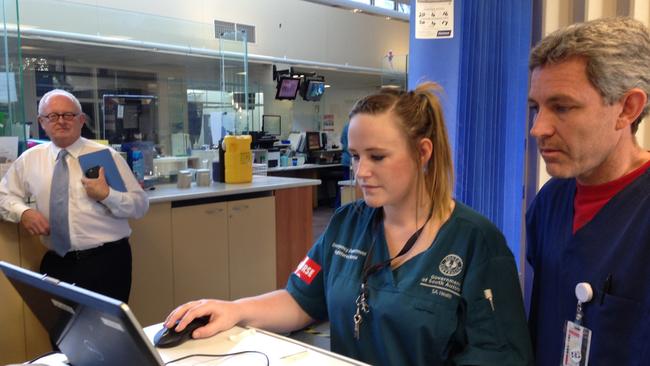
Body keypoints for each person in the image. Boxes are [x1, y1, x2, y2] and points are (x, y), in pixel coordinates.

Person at [163, 83, 533, 365]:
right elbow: (300, 300)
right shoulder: (347, 224)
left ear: (423, 152)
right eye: (355, 156)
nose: (361, 172)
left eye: (378, 157)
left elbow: (499, 356)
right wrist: (236, 309)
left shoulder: (476, 244)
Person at [526, 17, 650, 365]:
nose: (539, 128)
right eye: (536, 107)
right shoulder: (550, 203)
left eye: (562, 107)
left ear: (627, 108)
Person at [0, 89, 149, 303]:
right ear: (42, 122)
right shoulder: (30, 160)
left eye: (68, 115)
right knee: (61, 331)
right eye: (53, 116)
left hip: (106, 262)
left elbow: (140, 206)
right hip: (57, 263)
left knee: (107, 333)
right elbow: (4, 196)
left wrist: (107, 195)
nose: (61, 121)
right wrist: (23, 212)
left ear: (81, 120)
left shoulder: (107, 157)